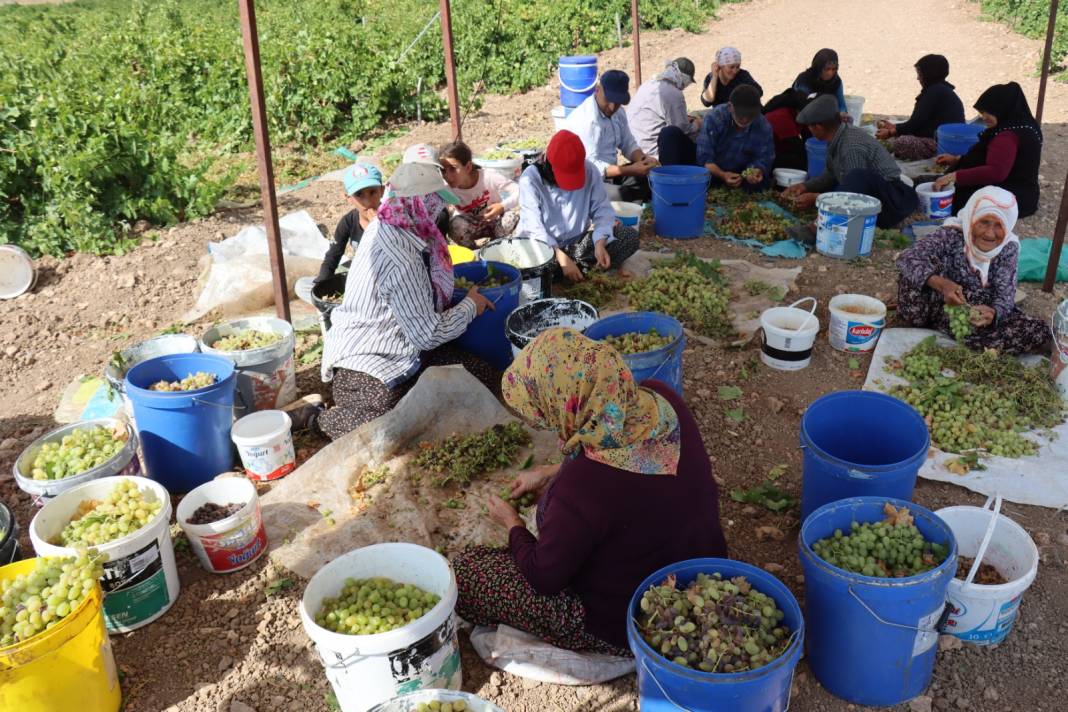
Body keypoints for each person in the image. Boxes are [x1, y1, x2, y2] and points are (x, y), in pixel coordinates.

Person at [452, 327, 728, 654]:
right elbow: (632, 463)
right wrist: (551, 470)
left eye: (542, 412)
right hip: (706, 571)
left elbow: (545, 578)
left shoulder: (580, 489)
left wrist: (513, 522)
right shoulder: (660, 397)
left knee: (467, 573)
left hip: (636, 616)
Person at [300, 161, 499, 439]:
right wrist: (469, 307)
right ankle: (321, 421)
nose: (440, 210)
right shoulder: (401, 254)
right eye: (436, 203)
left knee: (482, 376)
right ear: (421, 204)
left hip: (405, 349)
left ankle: (390, 405)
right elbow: (427, 334)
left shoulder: (393, 220)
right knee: (396, 421)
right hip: (365, 366)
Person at [896, 186, 1049, 354]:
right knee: (912, 272)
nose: (990, 234)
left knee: (1037, 330)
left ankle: (962, 336)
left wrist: (993, 313)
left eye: (999, 225)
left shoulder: (1007, 247)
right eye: (983, 222)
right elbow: (906, 258)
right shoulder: (952, 234)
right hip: (934, 306)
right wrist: (943, 285)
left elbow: (1005, 296)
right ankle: (942, 329)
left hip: (971, 316)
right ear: (971, 217)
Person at [517, 130, 639, 283]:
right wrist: (561, 259)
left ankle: (573, 270)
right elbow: (534, 229)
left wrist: (600, 243)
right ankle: (572, 271)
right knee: (533, 267)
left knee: (628, 237)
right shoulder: (531, 180)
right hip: (541, 248)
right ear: (550, 164)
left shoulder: (590, 170)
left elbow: (603, 211)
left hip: (574, 246)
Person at [783, 95, 918, 232]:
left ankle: (815, 229)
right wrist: (804, 186)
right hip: (874, 194)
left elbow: (853, 195)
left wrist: (816, 198)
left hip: (891, 202)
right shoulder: (836, 137)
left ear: (818, 127)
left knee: (856, 177)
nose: (809, 131)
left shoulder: (850, 147)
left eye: (810, 127)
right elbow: (831, 175)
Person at [933, 82, 1042, 219]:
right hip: (1026, 195)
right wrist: (958, 159)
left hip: (1009, 199)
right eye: (982, 112)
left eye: (989, 112)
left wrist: (953, 176)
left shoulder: (1006, 136)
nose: (983, 117)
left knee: (951, 198)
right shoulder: (1026, 125)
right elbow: (1012, 161)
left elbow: (996, 172)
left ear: (1002, 109)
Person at [564, 69, 657, 202]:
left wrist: (643, 159)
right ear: (597, 90)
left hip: (611, 175)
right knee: (623, 194)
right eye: (608, 100)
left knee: (648, 179)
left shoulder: (619, 113)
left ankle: (634, 198)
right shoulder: (586, 120)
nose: (612, 107)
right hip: (585, 181)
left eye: (618, 102)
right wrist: (629, 170)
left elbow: (628, 143)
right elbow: (592, 167)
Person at [763, 48, 847, 170]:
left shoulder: (836, 82)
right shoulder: (785, 115)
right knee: (802, 161)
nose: (830, 73)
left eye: (834, 70)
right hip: (768, 154)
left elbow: (840, 104)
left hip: (809, 114)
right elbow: (798, 146)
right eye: (826, 69)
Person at [875, 55, 965, 160]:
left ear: (929, 75)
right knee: (893, 135)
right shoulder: (939, 89)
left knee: (902, 143)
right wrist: (895, 128)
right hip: (932, 135)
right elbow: (921, 122)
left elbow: (916, 123)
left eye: (920, 74)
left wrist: (891, 132)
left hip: (940, 144)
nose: (918, 78)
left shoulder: (935, 92)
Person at [688, 85, 774, 191]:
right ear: (730, 106)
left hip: (742, 177)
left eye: (750, 116)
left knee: (762, 183)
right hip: (713, 173)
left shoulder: (763, 125)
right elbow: (704, 158)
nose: (745, 119)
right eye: (741, 115)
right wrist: (722, 174)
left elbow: (764, 157)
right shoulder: (715, 118)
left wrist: (756, 171)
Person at [438, 140, 520, 248]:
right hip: (473, 226)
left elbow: (519, 190)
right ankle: (474, 254)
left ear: (467, 167)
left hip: (496, 221)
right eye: (443, 170)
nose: (447, 176)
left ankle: (495, 247)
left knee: (511, 217)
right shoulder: (445, 188)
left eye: (453, 169)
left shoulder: (488, 177)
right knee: (455, 225)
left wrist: (502, 206)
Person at [627, 58, 701, 163]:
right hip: (653, 152)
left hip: (634, 148)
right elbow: (683, 129)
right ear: (684, 78)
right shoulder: (673, 93)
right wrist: (697, 124)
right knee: (696, 146)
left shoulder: (650, 83)